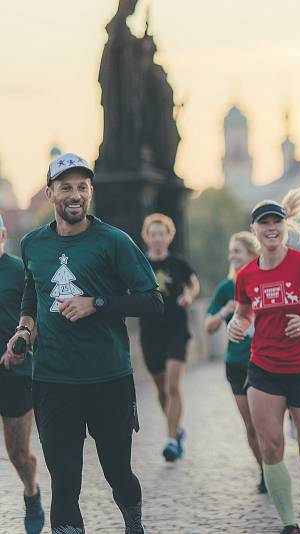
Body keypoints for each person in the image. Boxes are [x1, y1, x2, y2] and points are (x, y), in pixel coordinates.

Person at [5, 153, 163, 533]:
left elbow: (151, 301)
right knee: (64, 481)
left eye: (81, 187)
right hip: (53, 382)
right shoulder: (33, 244)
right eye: (65, 187)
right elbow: (33, 287)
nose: (74, 195)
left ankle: (133, 522)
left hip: (108, 378)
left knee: (117, 473)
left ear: (90, 192)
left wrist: (98, 303)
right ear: (50, 194)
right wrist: (25, 328)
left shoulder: (114, 242)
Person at [227, 186, 300, 534]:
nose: (271, 227)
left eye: (277, 221)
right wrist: (237, 323)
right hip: (263, 369)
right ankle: (290, 524)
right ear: (255, 230)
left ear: (284, 226)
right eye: (264, 223)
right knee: (271, 446)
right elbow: (246, 312)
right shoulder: (247, 274)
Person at [205, 231, 266, 492]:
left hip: (265, 361)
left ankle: (274, 466)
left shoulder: (265, 281)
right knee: (251, 424)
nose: (232, 256)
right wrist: (223, 312)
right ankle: (265, 471)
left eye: (237, 251)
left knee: (266, 422)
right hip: (237, 363)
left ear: (253, 254)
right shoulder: (225, 288)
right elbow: (208, 326)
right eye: (231, 251)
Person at [139, 213, 200, 462]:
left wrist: (189, 295)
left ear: (168, 236)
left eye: (161, 234)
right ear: (147, 237)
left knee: (173, 385)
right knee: (161, 389)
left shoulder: (178, 262)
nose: (157, 238)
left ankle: (171, 440)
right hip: (150, 332)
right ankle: (177, 429)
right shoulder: (140, 264)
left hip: (176, 329)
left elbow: (193, 283)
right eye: (153, 234)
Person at [0, 213, 46, 534]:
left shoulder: (18, 271)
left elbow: (35, 317)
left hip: (15, 372)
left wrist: (21, 344)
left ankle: (31, 492)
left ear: (3, 235)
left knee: (17, 453)